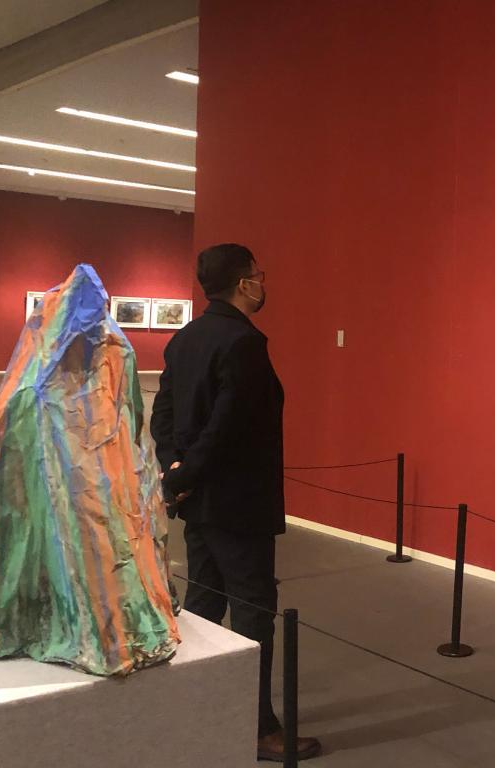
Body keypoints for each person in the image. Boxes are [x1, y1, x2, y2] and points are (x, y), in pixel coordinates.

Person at [150, 243, 321, 762]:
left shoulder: (185, 338)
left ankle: (195, 706)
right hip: (237, 504)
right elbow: (229, 426)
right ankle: (257, 726)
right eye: (257, 275)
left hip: (199, 500)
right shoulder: (243, 342)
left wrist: (176, 472)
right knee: (252, 613)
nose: (262, 283)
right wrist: (189, 472)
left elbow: (164, 415)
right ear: (244, 283)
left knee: (203, 606)